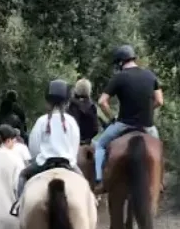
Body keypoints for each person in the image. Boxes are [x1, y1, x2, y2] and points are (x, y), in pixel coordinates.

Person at [93, 45, 163, 193]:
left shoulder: (119, 77)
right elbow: (160, 101)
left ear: (120, 62)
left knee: (100, 145)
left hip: (124, 124)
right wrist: (148, 110)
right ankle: (160, 182)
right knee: (159, 148)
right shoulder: (150, 75)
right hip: (147, 126)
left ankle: (99, 180)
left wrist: (112, 118)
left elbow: (101, 102)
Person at [13, 79, 83, 203]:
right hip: (68, 163)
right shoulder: (71, 122)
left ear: (48, 102)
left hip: (44, 163)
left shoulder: (42, 121)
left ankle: (19, 204)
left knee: (22, 175)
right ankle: (92, 202)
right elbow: (75, 146)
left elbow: (33, 148)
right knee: (84, 183)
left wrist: (38, 157)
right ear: (66, 102)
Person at [66, 78, 102, 144]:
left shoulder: (70, 105)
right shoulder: (92, 106)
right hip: (86, 142)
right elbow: (95, 129)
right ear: (89, 90)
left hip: (71, 140)